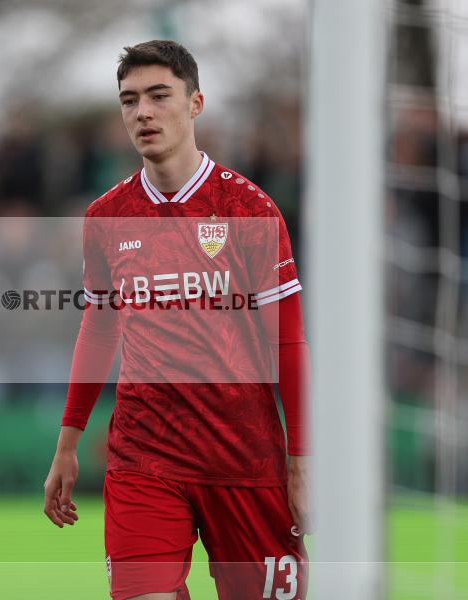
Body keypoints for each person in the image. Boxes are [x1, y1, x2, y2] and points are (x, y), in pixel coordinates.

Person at [43, 40, 310, 599]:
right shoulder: (106, 217)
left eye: (159, 95)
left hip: (243, 455)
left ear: (195, 104)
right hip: (146, 456)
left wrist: (300, 460)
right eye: (129, 100)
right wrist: (68, 444)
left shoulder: (249, 210)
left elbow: (288, 343)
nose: (143, 112)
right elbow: (98, 330)